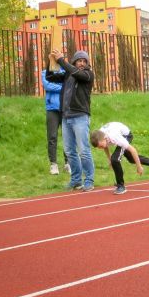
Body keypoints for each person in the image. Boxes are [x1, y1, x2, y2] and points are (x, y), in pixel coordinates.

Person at [47, 49, 95, 191]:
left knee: (84, 151)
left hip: (80, 116)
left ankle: (89, 180)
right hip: (66, 116)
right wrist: (50, 61)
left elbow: (76, 72)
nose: (81, 63)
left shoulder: (87, 74)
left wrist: (61, 60)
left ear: (87, 64)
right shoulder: (68, 74)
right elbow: (50, 77)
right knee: (69, 151)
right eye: (79, 60)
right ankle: (75, 180)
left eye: (84, 61)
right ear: (74, 61)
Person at [91, 122, 149, 195]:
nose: (101, 148)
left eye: (100, 146)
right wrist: (109, 158)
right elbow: (105, 146)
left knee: (115, 159)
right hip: (118, 131)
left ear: (104, 138)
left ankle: (121, 186)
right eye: (99, 147)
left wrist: (139, 166)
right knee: (131, 159)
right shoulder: (100, 135)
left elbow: (133, 150)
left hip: (126, 135)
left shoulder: (115, 137)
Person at [42, 69, 70, 175]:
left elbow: (69, 85)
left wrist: (58, 87)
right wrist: (63, 87)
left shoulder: (65, 72)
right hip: (51, 109)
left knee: (67, 136)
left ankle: (68, 163)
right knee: (52, 137)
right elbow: (47, 85)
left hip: (65, 108)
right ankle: (53, 164)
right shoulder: (45, 72)